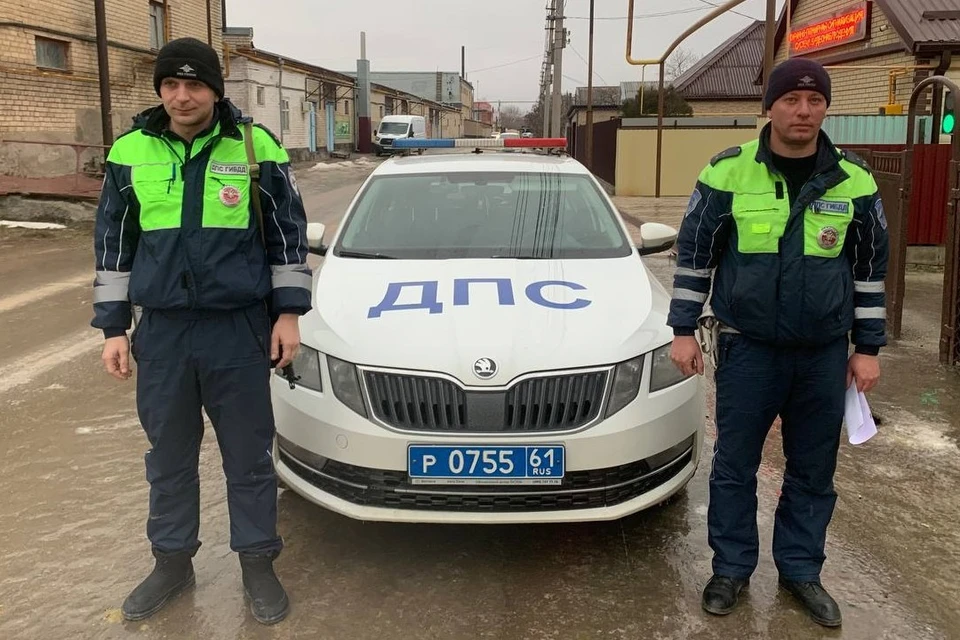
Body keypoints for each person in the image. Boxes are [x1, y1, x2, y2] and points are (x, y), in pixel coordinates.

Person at [91, 37, 312, 625]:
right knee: (168, 456)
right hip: (163, 332)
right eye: (171, 84)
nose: (181, 96)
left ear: (215, 89)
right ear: (160, 89)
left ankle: (258, 563)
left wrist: (288, 314)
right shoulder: (129, 151)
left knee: (248, 455)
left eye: (194, 84)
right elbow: (112, 245)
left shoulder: (254, 145)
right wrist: (113, 328)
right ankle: (171, 562)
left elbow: (287, 236)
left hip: (236, 329)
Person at [668, 58, 888, 628]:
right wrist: (683, 330)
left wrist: (867, 348)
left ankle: (801, 571)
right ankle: (731, 569)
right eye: (791, 100)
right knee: (734, 466)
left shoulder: (855, 180)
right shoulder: (727, 172)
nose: (803, 111)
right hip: (748, 351)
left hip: (822, 356)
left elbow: (869, 272)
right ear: (770, 106)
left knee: (813, 470)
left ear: (826, 108)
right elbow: (695, 258)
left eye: (815, 101)